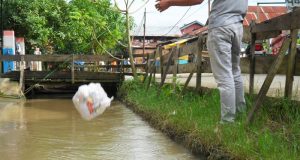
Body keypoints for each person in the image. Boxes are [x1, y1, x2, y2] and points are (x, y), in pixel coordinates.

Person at [156, 0, 247, 123]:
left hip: (221, 26)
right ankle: (241, 116)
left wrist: (170, 2)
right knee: (235, 72)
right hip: (237, 26)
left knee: (224, 76)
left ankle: (228, 122)